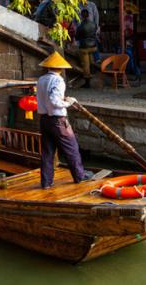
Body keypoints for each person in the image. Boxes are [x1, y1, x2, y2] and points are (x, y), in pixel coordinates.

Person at [36, 52, 92, 189]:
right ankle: (79, 176)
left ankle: (46, 182)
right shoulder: (58, 80)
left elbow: (48, 98)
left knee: (47, 152)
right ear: (60, 68)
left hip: (44, 119)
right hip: (58, 120)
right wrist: (69, 102)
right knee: (71, 148)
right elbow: (54, 101)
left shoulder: (41, 79)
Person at [74, 9, 98, 88]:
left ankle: (87, 82)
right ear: (88, 15)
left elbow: (77, 37)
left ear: (81, 16)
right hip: (93, 46)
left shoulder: (81, 26)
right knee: (91, 59)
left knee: (85, 65)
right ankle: (93, 69)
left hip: (85, 47)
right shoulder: (94, 24)